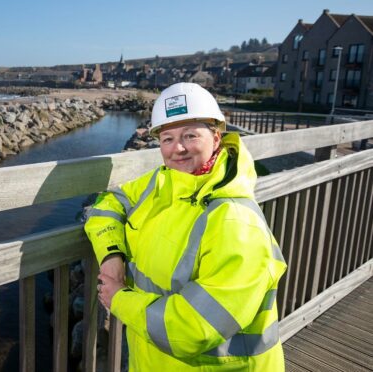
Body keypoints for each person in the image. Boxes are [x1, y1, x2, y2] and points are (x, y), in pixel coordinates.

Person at [84, 82, 287, 371]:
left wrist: (119, 300)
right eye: (167, 139)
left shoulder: (237, 223)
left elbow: (193, 329)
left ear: (217, 138)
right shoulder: (163, 182)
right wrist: (111, 255)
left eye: (190, 135)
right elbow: (106, 204)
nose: (177, 149)